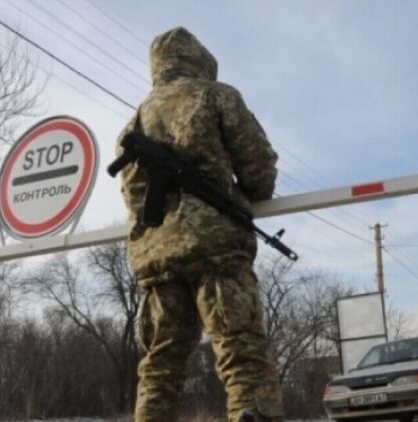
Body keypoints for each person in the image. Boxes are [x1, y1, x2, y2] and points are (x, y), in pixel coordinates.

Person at [115, 27, 283, 422]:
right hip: (216, 249)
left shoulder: (133, 124)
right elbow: (259, 171)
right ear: (199, 60)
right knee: (242, 355)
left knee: (160, 367)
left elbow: (134, 198)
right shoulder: (217, 96)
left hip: (156, 260)